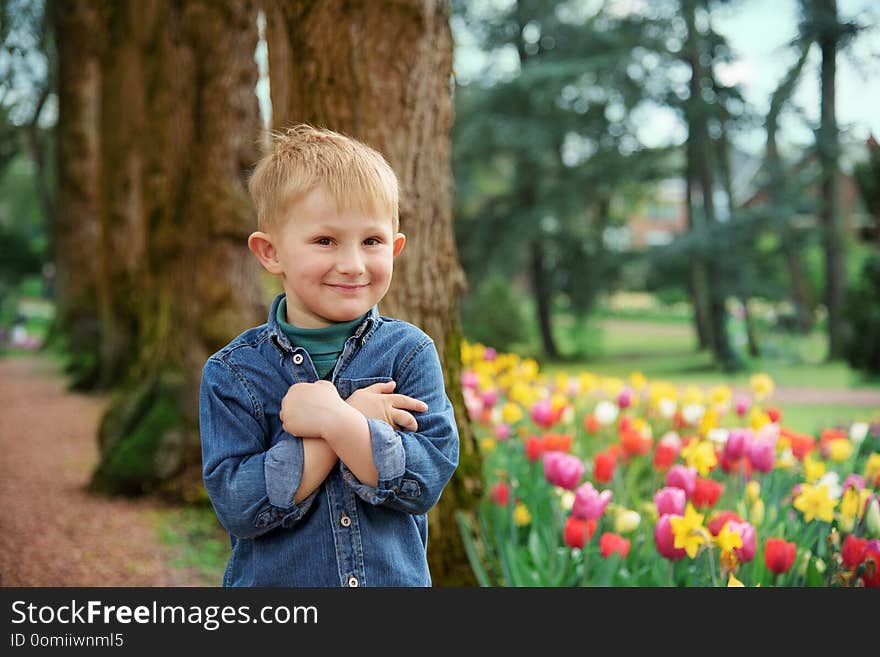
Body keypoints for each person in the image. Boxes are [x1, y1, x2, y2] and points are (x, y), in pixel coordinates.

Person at [199, 124, 460, 587]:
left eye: (372, 242)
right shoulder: (233, 373)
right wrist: (348, 423)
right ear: (271, 252)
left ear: (395, 249)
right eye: (325, 241)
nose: (353, 264)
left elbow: (425, 478)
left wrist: (338, 422)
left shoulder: (409, 353)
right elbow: (240, 505)